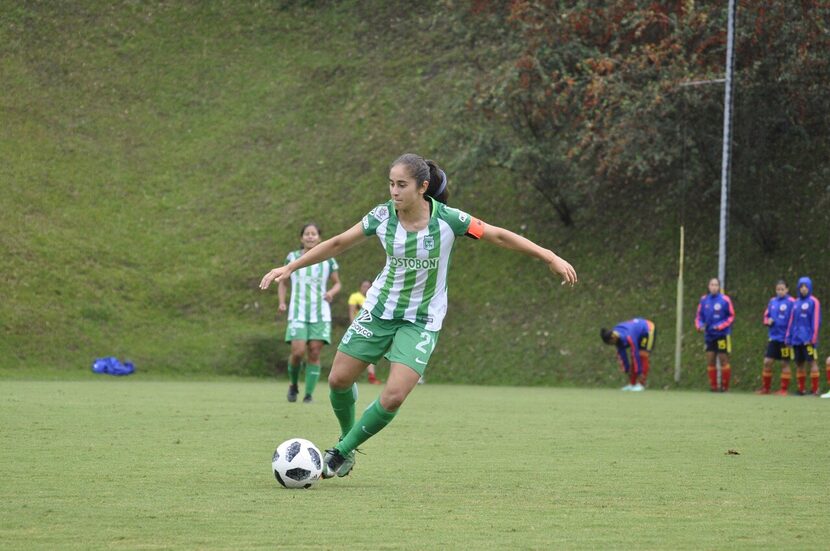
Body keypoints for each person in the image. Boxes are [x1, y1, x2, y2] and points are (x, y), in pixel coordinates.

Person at [260, 153, 577, 479]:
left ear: (422, 187)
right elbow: (339, 243)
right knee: (338, 381)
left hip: (422, 320)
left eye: (401, 185)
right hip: (379, 311)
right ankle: (348, 438)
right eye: (391, 184)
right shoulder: (382, 215)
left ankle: (341, 452)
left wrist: (547, 255)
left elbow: (497, 235)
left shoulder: (450, 220)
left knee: (394, 395)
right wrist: (290, 267)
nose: (394, 191)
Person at [277, 223, 341, 403]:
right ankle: (293, 384)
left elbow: (337, 283)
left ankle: (308, 395)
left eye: (314, 234)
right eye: (307, 234)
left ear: (319, 238)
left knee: (314, 352)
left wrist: (331, 292)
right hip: (298, 312)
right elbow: (282, 281)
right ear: (301, 238)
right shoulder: (292, 257)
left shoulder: (328, 260)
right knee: (297, 352)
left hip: (320, 314)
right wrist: (282, 302)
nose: (310, 237)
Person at [695, 278, 735, 392]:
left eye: (716, 285)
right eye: (712, 285)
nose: (714, 287)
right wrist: (699, 325)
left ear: (719, 287)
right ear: (708, 286)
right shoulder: (704, 300)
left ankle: (725, 387)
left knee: (723, 359)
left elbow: (731, 316)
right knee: (710, 359)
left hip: (722, 334)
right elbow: (699, 316)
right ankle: (713, 387)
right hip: (709, 335)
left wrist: (720, 326)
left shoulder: (725, 300)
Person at [784, 276, 821, 396]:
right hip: (796, 339)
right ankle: (801, 390)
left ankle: (815, 390)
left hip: (807, 340)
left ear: (809, 288)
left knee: (812, 362)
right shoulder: (795, 303)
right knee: (799, 364)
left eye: (805, 287)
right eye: (801, 287)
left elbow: (816, 321)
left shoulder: (813, 302)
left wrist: (812, 338)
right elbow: (791, 321)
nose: (803, 289)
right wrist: (788, 337)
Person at [758, 280, 795, 395]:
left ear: (787, 290)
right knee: (767, 361)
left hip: (785, 339)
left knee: (785, 363)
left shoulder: (791, 302)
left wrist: (790, 337)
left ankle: (783, 390)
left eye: (782, 289)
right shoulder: (772, 302)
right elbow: (766, 315)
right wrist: (767, 321)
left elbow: (794, 320)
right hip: (773, 338)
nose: (780, 291)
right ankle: (766, 388)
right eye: (778, 289)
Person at [600, 318, 656, 392]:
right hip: (638, 332)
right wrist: (627, 369)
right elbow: (622, 354)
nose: (612, 345)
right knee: (634, 358)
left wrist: (639, 372)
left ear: (613, 338)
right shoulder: (616, 336)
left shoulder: (628, 337)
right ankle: (632, 384)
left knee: (642, 355)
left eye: (611, 343)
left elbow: (635, 353)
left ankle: (641, 384)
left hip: (647, 330)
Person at [347, 280, 382, 384]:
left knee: (368, 353)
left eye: (368, 286)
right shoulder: (355, 297)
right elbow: (351, 312)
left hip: (371, 329)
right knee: (352, 352)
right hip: (358, 328)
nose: (366, 288)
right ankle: (348, 374)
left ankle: (371, 376)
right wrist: (354, 326)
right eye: (364, 286)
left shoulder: (374, 298)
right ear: (360, 287)